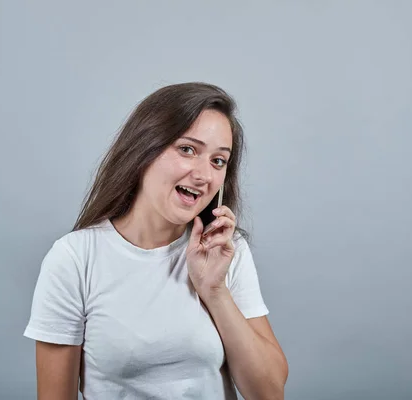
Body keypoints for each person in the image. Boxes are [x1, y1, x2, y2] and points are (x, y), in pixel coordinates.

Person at [23, 82, 288, 399]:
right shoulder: (75, 259)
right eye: (187, 149)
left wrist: (214, 291)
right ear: (143, 149)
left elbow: (269, 393)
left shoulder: (226, 251)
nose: (204, 175)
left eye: (218, 161)